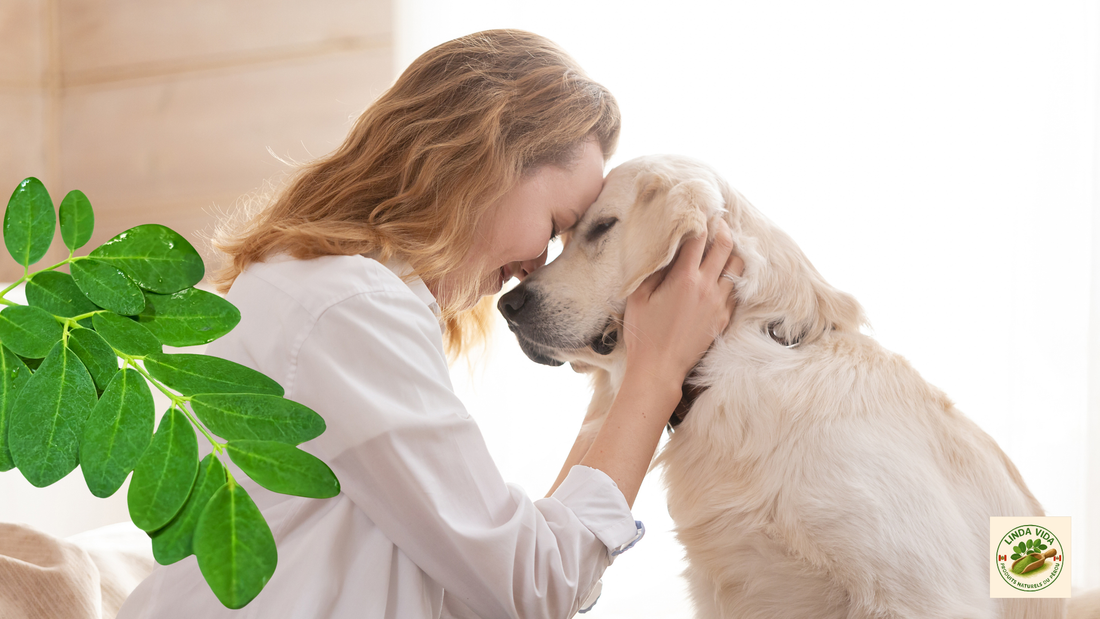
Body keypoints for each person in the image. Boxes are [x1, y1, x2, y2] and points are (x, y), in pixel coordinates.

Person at [117, 29, 739, 619]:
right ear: (486, 161)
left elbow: (483, 587)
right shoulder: (349, 306)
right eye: (554, 226)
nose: (536, 266)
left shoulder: (326, 288)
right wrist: (655, 375)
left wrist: (628, 373)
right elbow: (531, 586)